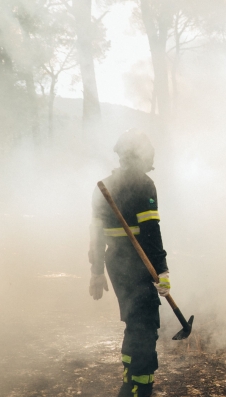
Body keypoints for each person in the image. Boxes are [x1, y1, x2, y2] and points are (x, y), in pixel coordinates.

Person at [88, 129, 171, 397]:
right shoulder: (144, 184)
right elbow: (150, 234)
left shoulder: (103, 186)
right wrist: (163, 272)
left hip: (115, 263)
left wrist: (97, 271)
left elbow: (96, 236)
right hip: (138, 264)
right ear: (141, 155)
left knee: (134, 322)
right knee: (144, 326)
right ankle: (138, 389)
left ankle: (130, 380)